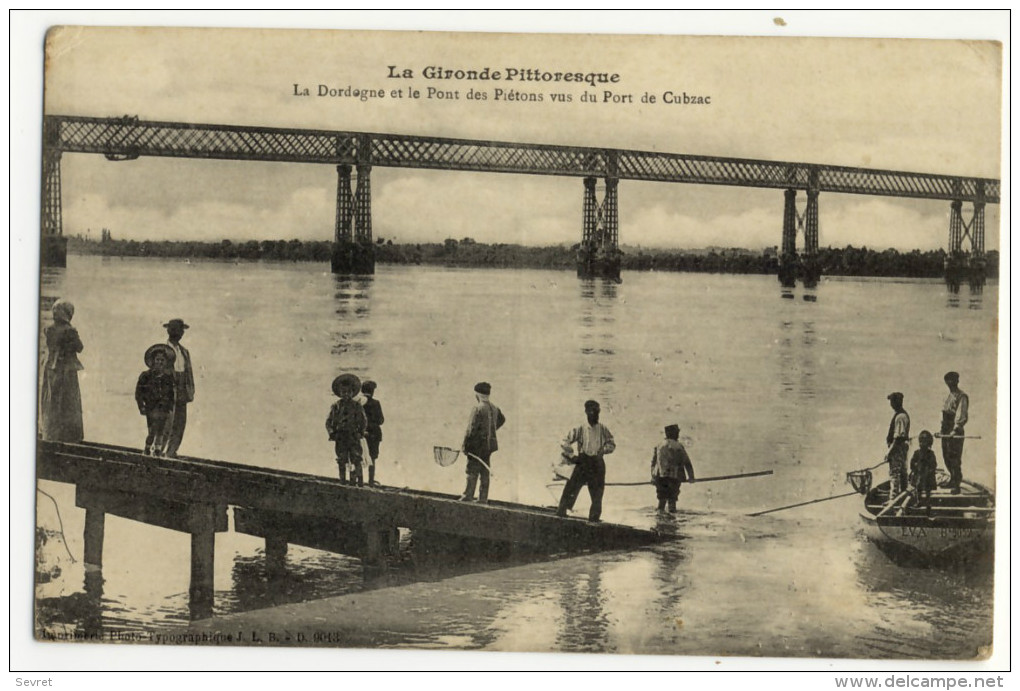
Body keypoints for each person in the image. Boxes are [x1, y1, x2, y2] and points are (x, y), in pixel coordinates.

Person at [557, 400, 616, 522]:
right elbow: (564, 441)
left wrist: (603, 450)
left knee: (597, 494)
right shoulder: (580, 428)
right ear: (587, 413)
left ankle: (594, 520)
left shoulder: (603, 429)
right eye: (593, 413)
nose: (596, 416)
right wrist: (572, 456)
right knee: (571, 488)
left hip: (597, 463)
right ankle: (561, 514)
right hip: (583, 463)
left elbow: (612, 444)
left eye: (597, 413)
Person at [39, 300, 84, 442]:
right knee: (68, 402)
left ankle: (51, 434)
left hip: (50, 369)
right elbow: (80, 347)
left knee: (52, 401)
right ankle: (69, 437)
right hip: (66, 370)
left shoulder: (48, 329)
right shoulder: (70, 330)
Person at [460, 382, 506, 503]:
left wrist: (465, 445)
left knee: (472, 469)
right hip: (489, 446)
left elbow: (471, 429)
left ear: (477, 394)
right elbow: (502, 419)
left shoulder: (477, 408)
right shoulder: (495, 408)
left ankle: (468, 496)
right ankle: (483, 498)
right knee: (485, 470)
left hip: (476, 446)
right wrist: (491, 430)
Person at [135, 344, 177, 456]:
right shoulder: (146, 376)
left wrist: (170, 406)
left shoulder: (168, 378)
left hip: (163, 408)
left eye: (162, 360)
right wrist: (141, 406)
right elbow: (139, 393)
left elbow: (171, 394)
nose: (160, 362)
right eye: (157, 360)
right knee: (152, 429)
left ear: (166, 362)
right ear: (153, 361)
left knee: (161, 429)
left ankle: (157, 450)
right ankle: (147, 448)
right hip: (151, 407)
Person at [326, 373, 367, 486]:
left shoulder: (357, 406)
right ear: (339, 393)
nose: (346, 395)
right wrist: (332, 432)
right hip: (340, 437)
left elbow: (363, 421)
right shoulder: (336, 406)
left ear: (352, 393)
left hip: (353, 436)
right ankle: (343, 482)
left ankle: (358, 483)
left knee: (356, 459)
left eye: (348, 392)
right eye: (343, 392)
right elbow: (329, 422)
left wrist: (361, 432)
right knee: (341, 459)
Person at [163, 318, 195, 458]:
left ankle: (171, 452)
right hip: (168, 390)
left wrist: (190, 390)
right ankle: (159, 451)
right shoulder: (162, 350)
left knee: (180, 423)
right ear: (169, 331)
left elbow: (189, 373)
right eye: (177, 329)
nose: (180, 332)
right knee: (166, 423)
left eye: (181, 330)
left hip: (182, 391)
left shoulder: (184, 352)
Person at [650, 424, 695, 513]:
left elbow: (653, 463)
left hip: (661, 477)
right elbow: (687, 463)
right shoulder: (678, 446)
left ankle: (660, 520)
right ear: (673, 433)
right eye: (677, 432)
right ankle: (671, 521)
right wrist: (691, 477)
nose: (678, 434)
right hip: (674, 478)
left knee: (661, 500)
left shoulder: (659, 446)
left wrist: (653, 477)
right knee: (672, 500)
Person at [940, 371, 969, 494]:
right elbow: (945, 414)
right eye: (948, 381)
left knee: (954, 457)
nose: (950, 383)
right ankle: (952, 479)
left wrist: (955, 429)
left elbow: (961, 414)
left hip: (955, 430)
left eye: (952, 381)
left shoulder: (961, 396)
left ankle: (956, 484)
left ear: (957, 381)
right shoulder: (949, 396)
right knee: (946, 455)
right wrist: (941, 430)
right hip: (946, 429)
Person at [885, 392, 911, 500]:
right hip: (901, 448)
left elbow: (898, 438)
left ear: (896, 402)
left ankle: (893, 499)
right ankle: (903, 495)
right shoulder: (900, 415)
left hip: (898, 449)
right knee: (902, 472)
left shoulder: (900, 416)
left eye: (892, 401)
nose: (891, 404)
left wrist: (889, 452)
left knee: (895, 473)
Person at [909, 430, 938, 516]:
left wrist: (930, 471)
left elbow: (934, 464)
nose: (922, 444)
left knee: (928, 491)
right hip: (919, 475)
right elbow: (912, 463)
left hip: (928, 475)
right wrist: (915, 467)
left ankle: (928, 505)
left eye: (924, 442)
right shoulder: (917, 453)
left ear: (929, 443)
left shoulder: (931, 454)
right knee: (918, 488)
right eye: (921, 441)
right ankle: (919, 501)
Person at [361, 380, 384, 486]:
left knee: (359, 457)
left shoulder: (358, 402)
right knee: (372, 458)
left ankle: (359, 481)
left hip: (361, 433)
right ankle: (371, 481)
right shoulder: (375, 403)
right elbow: (381, 420)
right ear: (372, 391)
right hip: (374, 434)